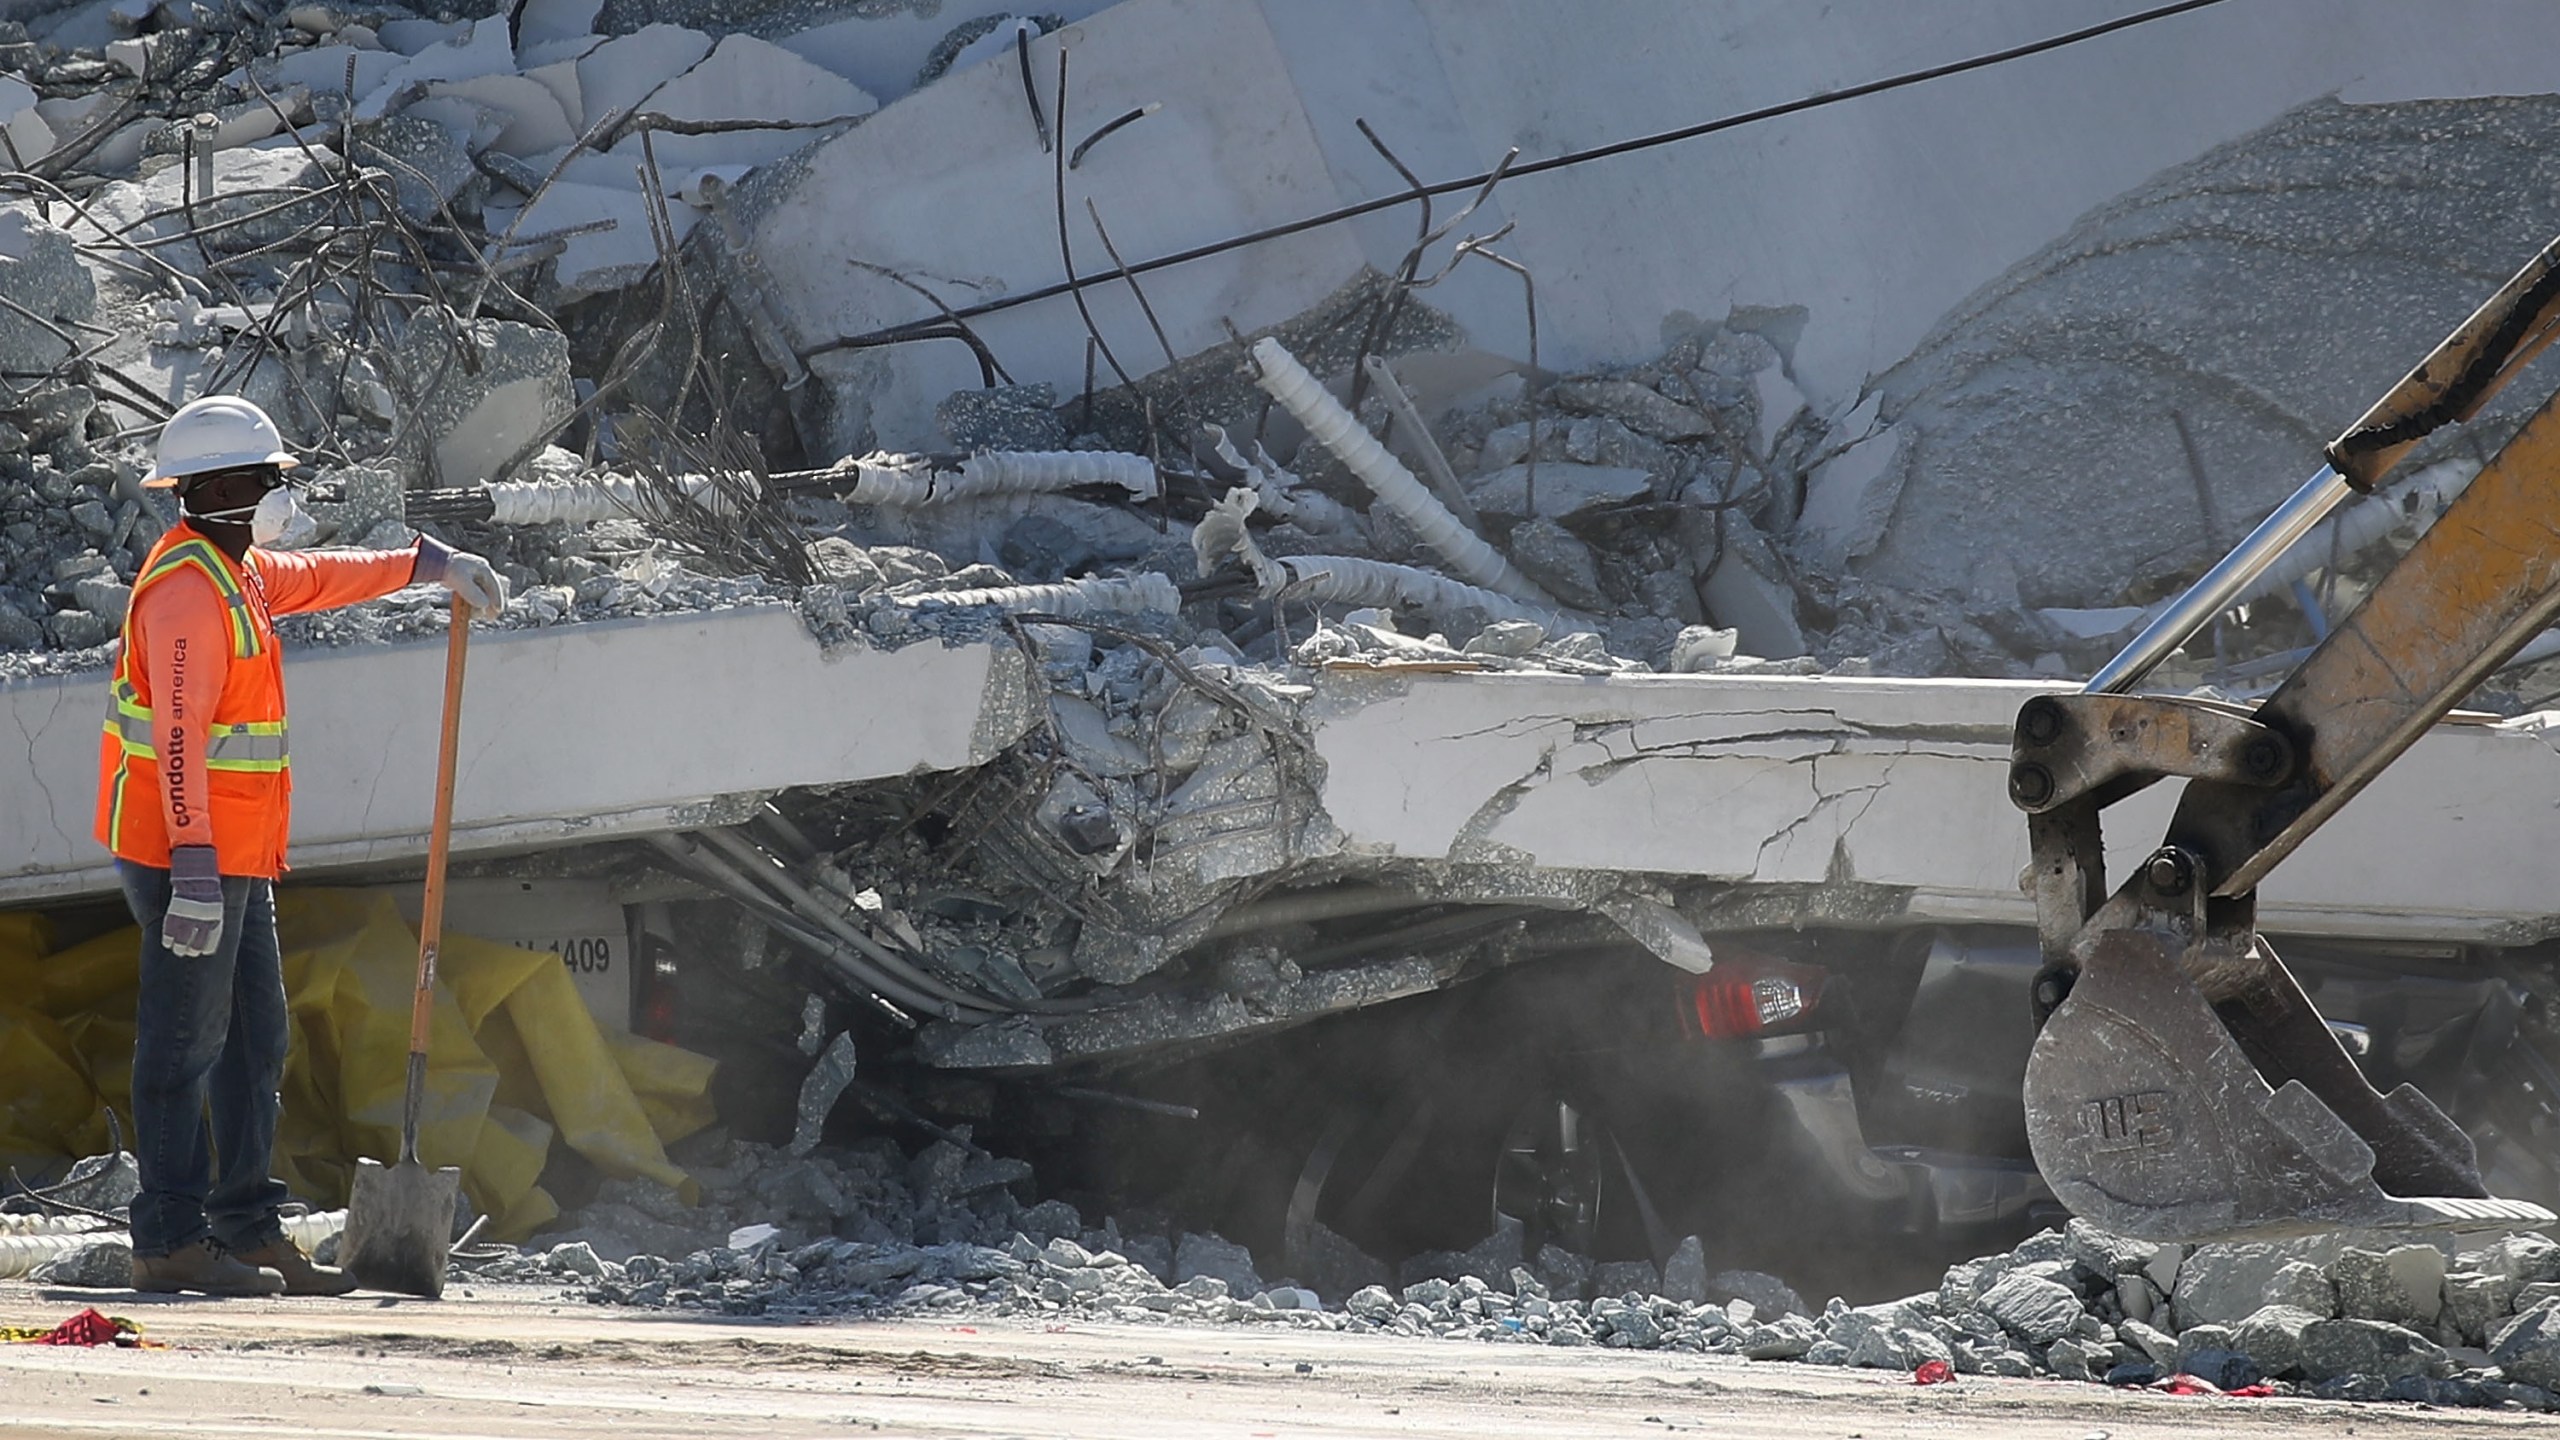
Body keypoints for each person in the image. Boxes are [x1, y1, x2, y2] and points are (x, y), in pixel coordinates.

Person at [95, 395, 507, 1296]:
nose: (274, 494)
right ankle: (169, 1237)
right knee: (183, 1044)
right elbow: (175, 744)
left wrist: (427, 563)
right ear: (210, 492)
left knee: (254, 1040)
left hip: (234, 856)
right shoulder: (185, 595)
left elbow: (318, 574)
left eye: (272, 478)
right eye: (261, 481)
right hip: (183, 858)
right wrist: (196, 871)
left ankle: (245, 1229)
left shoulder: (237, 572)